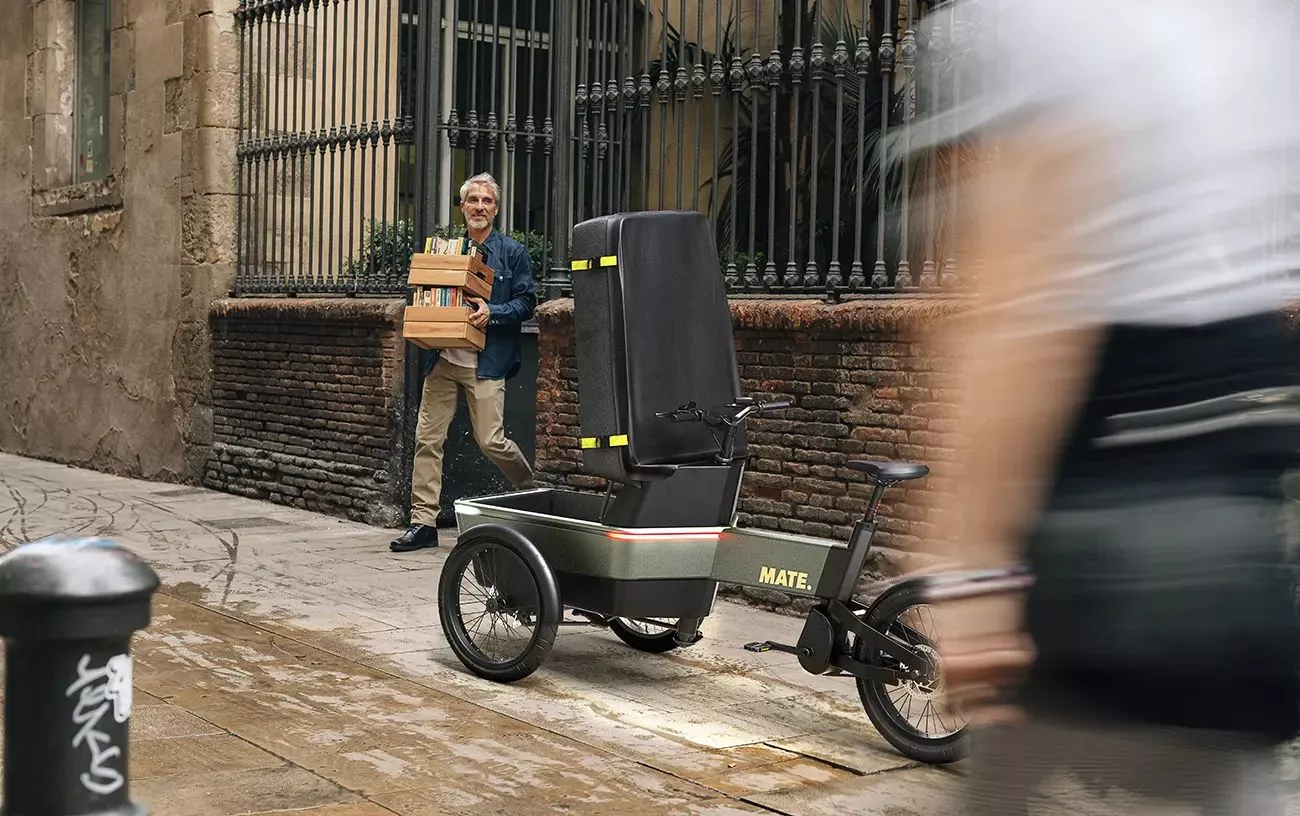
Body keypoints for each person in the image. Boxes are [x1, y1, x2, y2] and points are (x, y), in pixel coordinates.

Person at [909, 1, 1300, 812]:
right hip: (1236, 468)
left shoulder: (1065, 20)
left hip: (1101, 476)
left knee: (1009, 766)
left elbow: (1024, 306)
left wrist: (975, 571)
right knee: (1229, 769)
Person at [391, 172, 537, 553]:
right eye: (473, 200)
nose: (479, 207)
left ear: (496, 209)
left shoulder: (512, 253)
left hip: (487, 361)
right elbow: (429, 289)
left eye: (487, 201)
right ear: (462, 207)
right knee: (428, 439)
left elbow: (527, 303)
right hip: (443, 358)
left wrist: (494, 311)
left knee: (490, 439)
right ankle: (423, 522)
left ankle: (531, 490)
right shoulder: (448, 250)